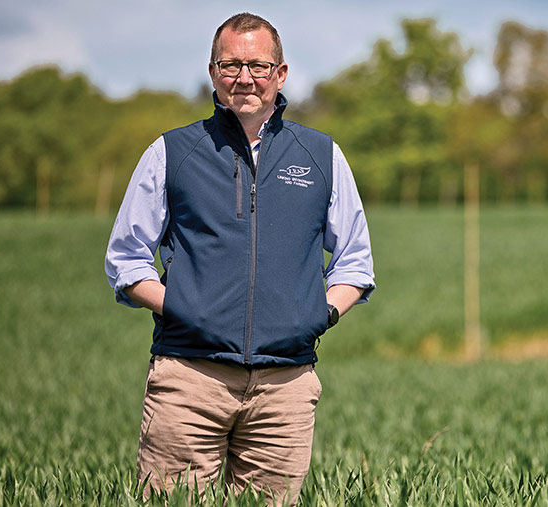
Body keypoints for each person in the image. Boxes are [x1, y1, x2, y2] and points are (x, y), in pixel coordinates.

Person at [104, 12, 375, 505]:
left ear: (281, 73)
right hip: (189, 380)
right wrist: (186, 309)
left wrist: (320, 314)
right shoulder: (172, 152)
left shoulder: (321, 155)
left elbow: (356, 260)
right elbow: (125, 260)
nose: (244, 78)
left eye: (257, 65)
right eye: (230, 65)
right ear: (212, 72)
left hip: (286, 388)